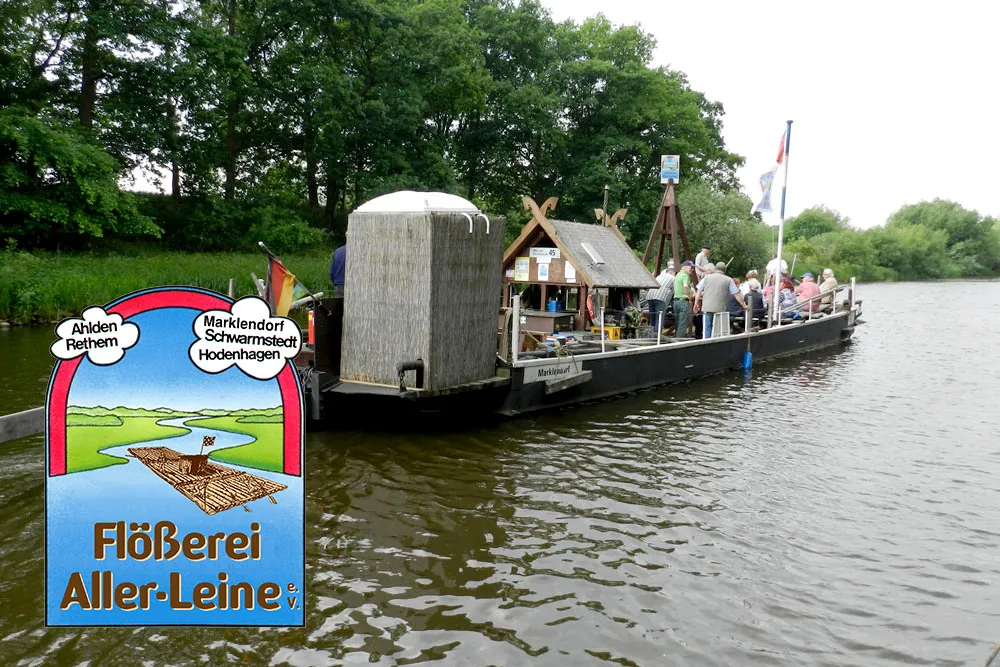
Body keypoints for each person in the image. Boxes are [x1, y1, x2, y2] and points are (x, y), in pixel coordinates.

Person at [696, 261, 746, 338]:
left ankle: (706, 342)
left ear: (715, 268)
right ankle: (717, 342)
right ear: (724, 270)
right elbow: (736, 294)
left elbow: (698, 291)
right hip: (720, 308)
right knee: (718, 327)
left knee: (707, 327)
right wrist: (744, 305)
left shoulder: (706, 278)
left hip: (707, 307)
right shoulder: (729, 280)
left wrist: (696, 304)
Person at [645, 264, 675, 331]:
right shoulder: (673, 278)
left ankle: (651, 336)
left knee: (652, 318)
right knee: (659, 319)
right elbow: (674, 292)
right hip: (660, 298)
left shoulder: (659, 276)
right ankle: (657, 337)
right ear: (673, 272)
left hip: (650, 297)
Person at [673, 260, 695, 338]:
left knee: (678, 322)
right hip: (683, 302)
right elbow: (685, 286)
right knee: (683, 323)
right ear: (685, 267)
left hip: (676, 301)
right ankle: (680, 341)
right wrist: (689, 297)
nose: (692, 270)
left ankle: (677, 338)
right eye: (691, 268)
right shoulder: (685, 276)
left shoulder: (678, 275)